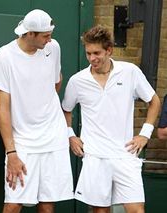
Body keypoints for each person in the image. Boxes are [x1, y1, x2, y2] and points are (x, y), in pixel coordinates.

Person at [62, 25, 161, 213]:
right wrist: (70, 135)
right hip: (95, 156)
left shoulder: (130, 71)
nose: (92, 58)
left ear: (109, 50)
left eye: (97, 53)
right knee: (100, 211)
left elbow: (154, 101)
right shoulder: (77, 81)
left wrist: (145, 134)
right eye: (88, 53)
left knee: (136, 209)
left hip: (126, 154)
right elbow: (66, 109)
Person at [0, 9, 74, 213]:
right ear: (29, 34)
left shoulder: (53, 48)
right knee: (13, 204)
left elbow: (56, 82)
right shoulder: (4, 56)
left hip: (53, 136)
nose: (50, 39)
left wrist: (42, 106)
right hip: (23, 142)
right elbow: (2, 109)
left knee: (47, 205)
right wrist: (11, 153)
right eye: (45, 35)